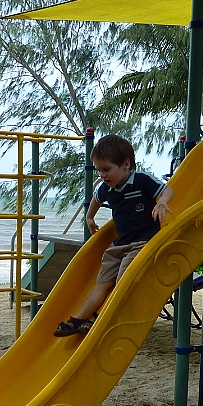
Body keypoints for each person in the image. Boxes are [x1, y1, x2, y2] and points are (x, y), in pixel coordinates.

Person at [54, 134, 174, 337]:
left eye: (106, 169)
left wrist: (162, 202)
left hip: (142, 244)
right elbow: (96, 199)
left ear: (126, 164)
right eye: (99, 170)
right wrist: (89, 217)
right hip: (119, 245)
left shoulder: (142, 180)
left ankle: (99, 318)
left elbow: (168, 190)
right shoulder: (106, 188)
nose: (102, 175)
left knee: (122, 281)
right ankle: (79, 319)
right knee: (102, 283)